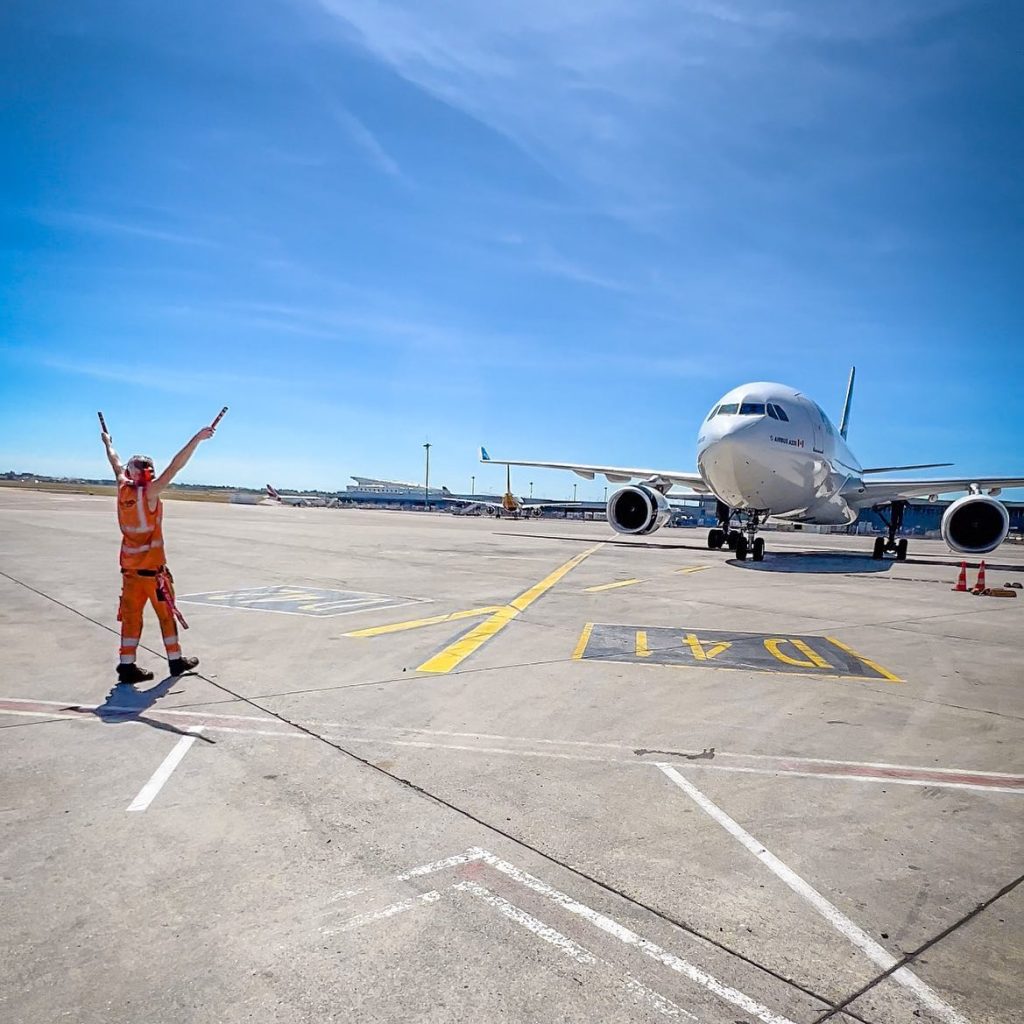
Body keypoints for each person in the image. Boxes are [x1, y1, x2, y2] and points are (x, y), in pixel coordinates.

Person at [101, 424, 216, 684]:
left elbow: (115, 462)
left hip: (130, 573)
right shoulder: (149, 494)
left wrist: (107, 442)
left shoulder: (123, 489)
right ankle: (175, 661)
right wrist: (196, 439)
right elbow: (176, 466)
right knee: (166, 616)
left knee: (131, 618)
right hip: (154, 574)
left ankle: (126, 665)